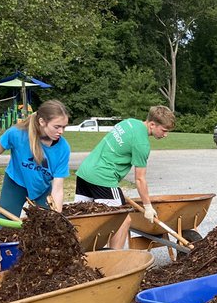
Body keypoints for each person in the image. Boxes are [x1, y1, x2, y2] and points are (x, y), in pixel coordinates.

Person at [73, 106, 175, 249]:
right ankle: (115, 261)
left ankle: (80, 256)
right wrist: (148, 206)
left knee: (83, 219)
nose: (165, 135)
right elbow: (140, 179)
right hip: (103, 178)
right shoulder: (142, 144)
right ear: (152, 124)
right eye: (164, 130)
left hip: (85, 173)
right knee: (122, 220)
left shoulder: (129, 123)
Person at [0, 100, 71, 216]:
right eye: (57, 127)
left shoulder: (63, 148)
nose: (61, 132)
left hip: (42, 189)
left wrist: (57, 214)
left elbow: (58, 187)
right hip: (15, 184)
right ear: (42, 121)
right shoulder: (17, 133)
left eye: (64, 127)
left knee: (48, 226)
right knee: (6, 227)